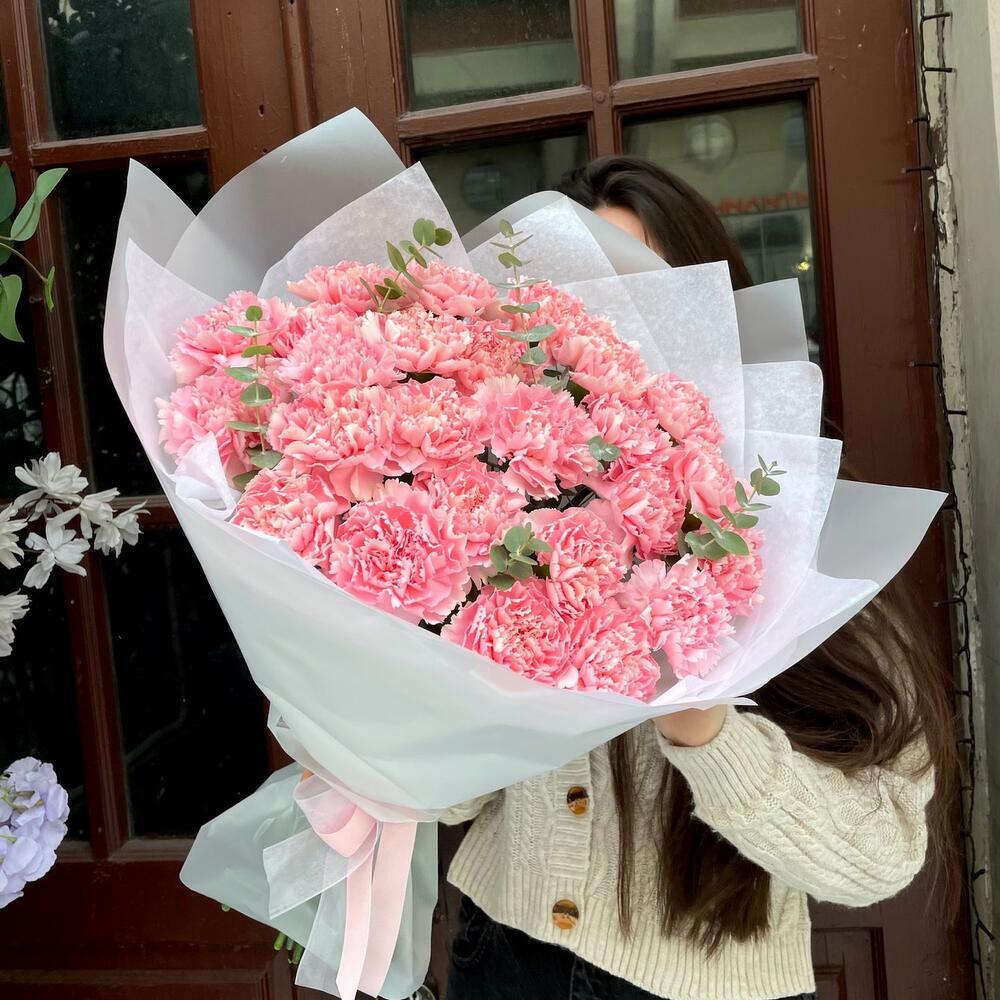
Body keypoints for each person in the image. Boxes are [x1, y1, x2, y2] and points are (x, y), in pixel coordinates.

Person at [440, 156, 956, 1000]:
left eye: (646, 295)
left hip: (707, 981)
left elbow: (879, 856)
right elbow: (454, 798)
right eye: (582, 298)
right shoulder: (488, 497)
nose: (611, 331)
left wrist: (709, 732)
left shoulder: (790, 519)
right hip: (499, 953)